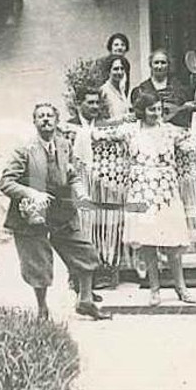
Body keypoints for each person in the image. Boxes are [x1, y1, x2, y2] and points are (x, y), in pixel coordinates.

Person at [0, 102, 111, 321]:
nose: (46, 119)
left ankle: (85, 302)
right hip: (30, 213)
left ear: (57, 121)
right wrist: (31, 193)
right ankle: (42, 309)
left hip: (60, 209)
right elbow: (5, 182)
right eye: (41, 116)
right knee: (38, 263)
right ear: (34, 122)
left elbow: (73, 174)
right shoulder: (24, 149)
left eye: (50, 115)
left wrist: (81, 192)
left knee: (84, 251)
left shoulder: (64, 145)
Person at [94, 91, 196, 307]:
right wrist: (75, 129)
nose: (156, 114)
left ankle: (181, 288)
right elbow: (99, 134)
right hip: (141, 191)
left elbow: (194, 142)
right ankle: (154, 289)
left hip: (166, 192)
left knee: (173, 243)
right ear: (142, 111)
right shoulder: (130, 131)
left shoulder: (170, 131)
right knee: (148, 243)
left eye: (159, 109)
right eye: (152, 110)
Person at [63, 88, 119, 294]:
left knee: (104, 226)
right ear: (79, 104)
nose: (95, 107)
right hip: (78, 183)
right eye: (90, 103)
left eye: (97, 103)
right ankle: (78, 276)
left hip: (102, 183)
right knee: (80, 229)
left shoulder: (104, 126)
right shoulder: (68, 126)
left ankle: (105, 271)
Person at [130, 48, 196, 129]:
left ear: (168, 65)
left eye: (163, 63)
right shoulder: (142, 89)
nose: (159, 66)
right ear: (150, 65)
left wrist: (184, 108)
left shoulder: (179, 87)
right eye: (156, 63)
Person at [99, 54, 133, 124]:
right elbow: (100, 122)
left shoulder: (122, 89)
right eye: (116, 69)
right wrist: (121, 119)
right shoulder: (104, 90)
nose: (120, 72)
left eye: (122, 68)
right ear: (108, 71)